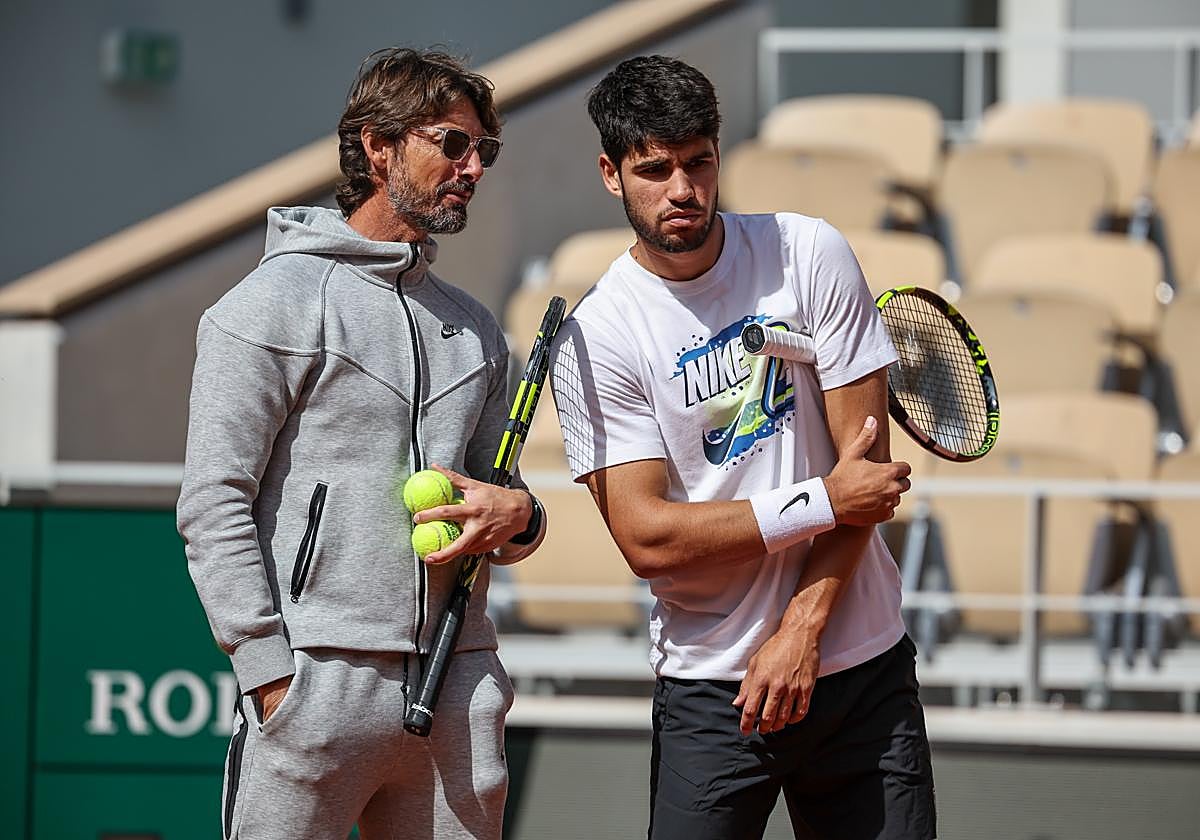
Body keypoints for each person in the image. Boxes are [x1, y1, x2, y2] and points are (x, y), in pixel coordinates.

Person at [548, 55, 935, 839]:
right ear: (610, 173)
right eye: (654, 170)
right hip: (711, 690)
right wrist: (821, 500)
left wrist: (801, 630)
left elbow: (866, 475)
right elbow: (648, 538)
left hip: (859, 667)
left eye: (699, 162)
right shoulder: (599, 334)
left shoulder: (809, 254)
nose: (682, 190)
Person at [176, 47, 546, 840]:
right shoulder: (266, 306)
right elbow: (213, 503)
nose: (473, 166)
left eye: (484, 150)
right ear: (378, 147)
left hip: (456, 687)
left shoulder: (477, 330)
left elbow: (497, 503)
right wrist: (271, 678)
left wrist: (520, 515)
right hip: (314, 686)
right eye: (452, 143)